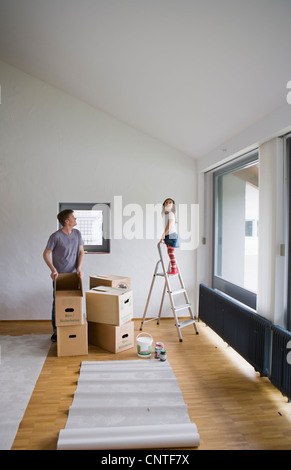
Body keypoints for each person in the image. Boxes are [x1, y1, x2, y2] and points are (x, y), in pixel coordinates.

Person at [43, 209, 84, 341]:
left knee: (74, 301)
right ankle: (56, 331)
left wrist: (78, 268)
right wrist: (53, 270)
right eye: (73, 217)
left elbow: (81, 252)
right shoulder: (55, 236)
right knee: (58, 303)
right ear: (67, 221)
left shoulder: (77, 234)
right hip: (59, 277)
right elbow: (45, 254)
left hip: (73, 275)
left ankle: (71, 327)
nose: (75, 219)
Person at [159, 198, 179, 275]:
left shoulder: (171, 214)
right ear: (164, 205)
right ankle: (173, 268)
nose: (168, 204)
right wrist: (164, 237)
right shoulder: (165, 215)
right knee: (169, 252)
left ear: (172, 206)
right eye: (166, 202)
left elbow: (168, 226)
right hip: (168, 235)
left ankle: (174, 269)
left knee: (171, 252)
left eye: (170, 203)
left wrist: (162, 235)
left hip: (172, 235)